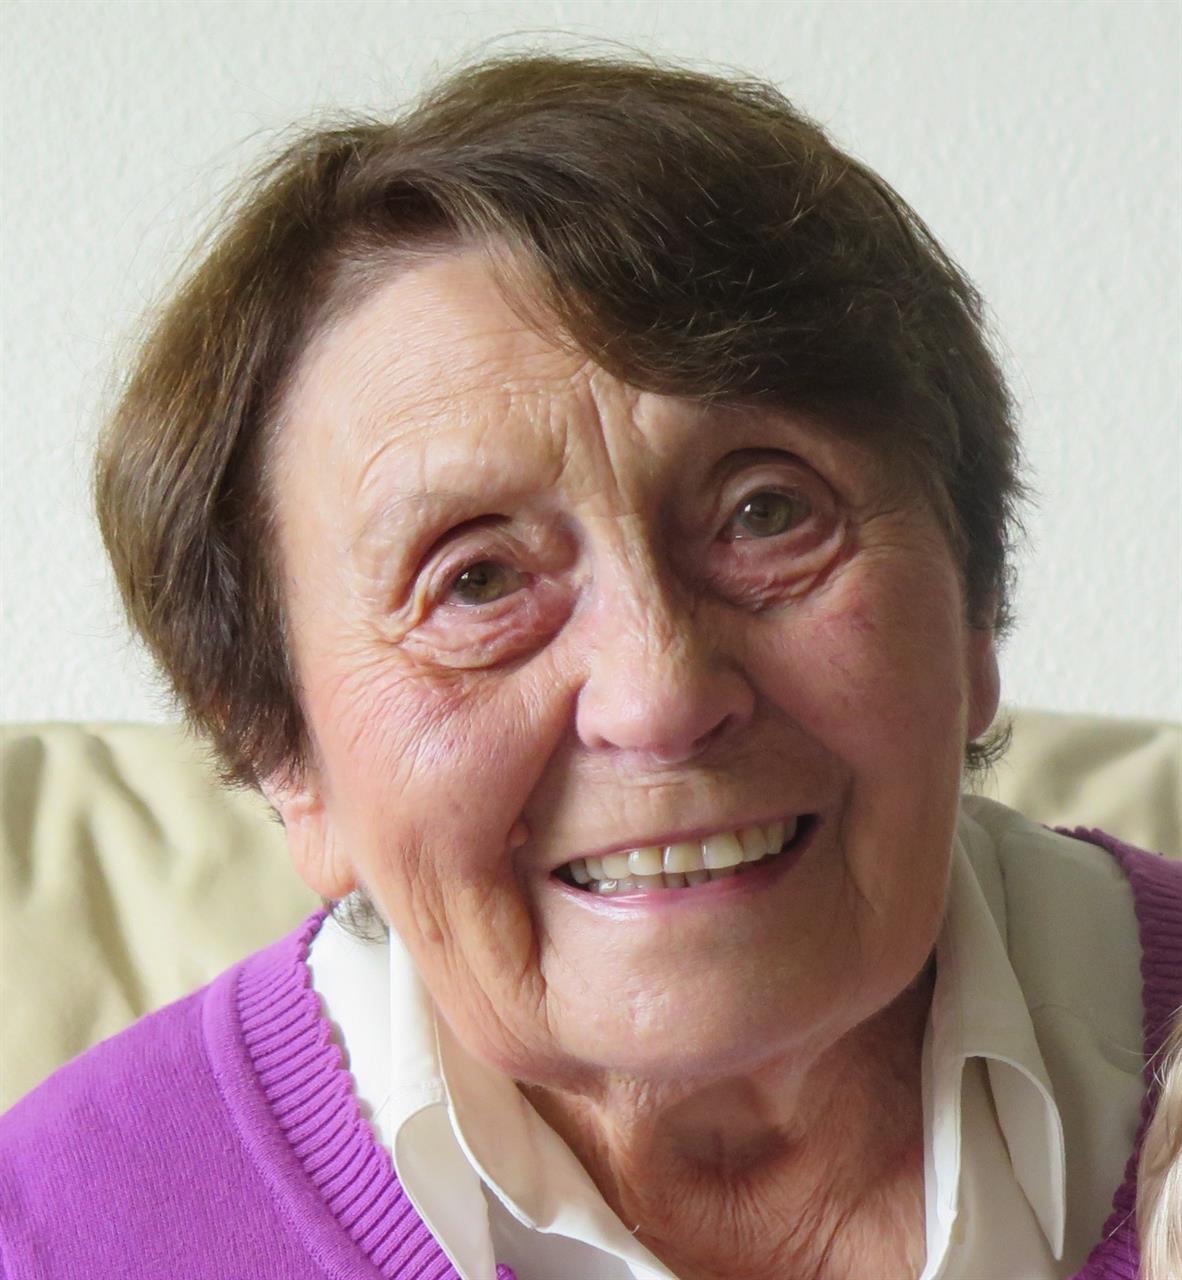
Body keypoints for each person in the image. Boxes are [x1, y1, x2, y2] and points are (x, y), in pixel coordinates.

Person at [1, 53, 1178, 1280]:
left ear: (975, 600)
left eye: (767, 512)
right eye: (477, 580)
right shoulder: (56, 1236)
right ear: (281, 750)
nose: (659, 695)